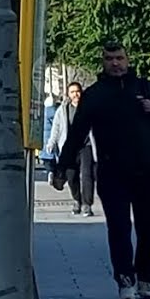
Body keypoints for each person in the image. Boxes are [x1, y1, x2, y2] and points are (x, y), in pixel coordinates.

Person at [53, 41, 150, 299]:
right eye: (109, 58)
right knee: (119, 228)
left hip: (146, 170)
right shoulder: (95, 95)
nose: (115, 63)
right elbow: (77, 133)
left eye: (119, 58)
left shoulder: (146, 88)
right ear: (103, 62)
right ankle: (125, 281)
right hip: (112, 171)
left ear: (127, 60)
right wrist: (62, 167)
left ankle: (145, 278)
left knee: (148, 228)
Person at [46, 82, 97, 216]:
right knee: (71, 175)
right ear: (68, 94)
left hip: (86, 145)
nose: (76, 94)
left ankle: (87, 204)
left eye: (78, 91)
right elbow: (56, 128)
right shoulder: (63, 110)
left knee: (87, 175)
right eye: (72, 92)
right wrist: (51, 143)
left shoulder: (89, 108)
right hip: (69, 146)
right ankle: (77, 200)